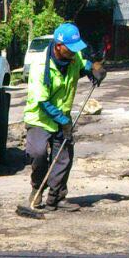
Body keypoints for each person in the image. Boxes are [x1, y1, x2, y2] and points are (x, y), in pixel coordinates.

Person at [22, 22, 105, 212]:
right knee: (39, 153)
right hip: (40, 118)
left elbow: (86, 65)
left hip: (62, 116)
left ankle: (56, 197)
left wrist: (95, 69)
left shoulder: (73, 59)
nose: (74, 53)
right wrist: (64, 121)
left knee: (64, 157)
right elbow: (42, 101)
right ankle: (37, 190)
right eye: (71, 48)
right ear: (59, 46)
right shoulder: (40, 66)